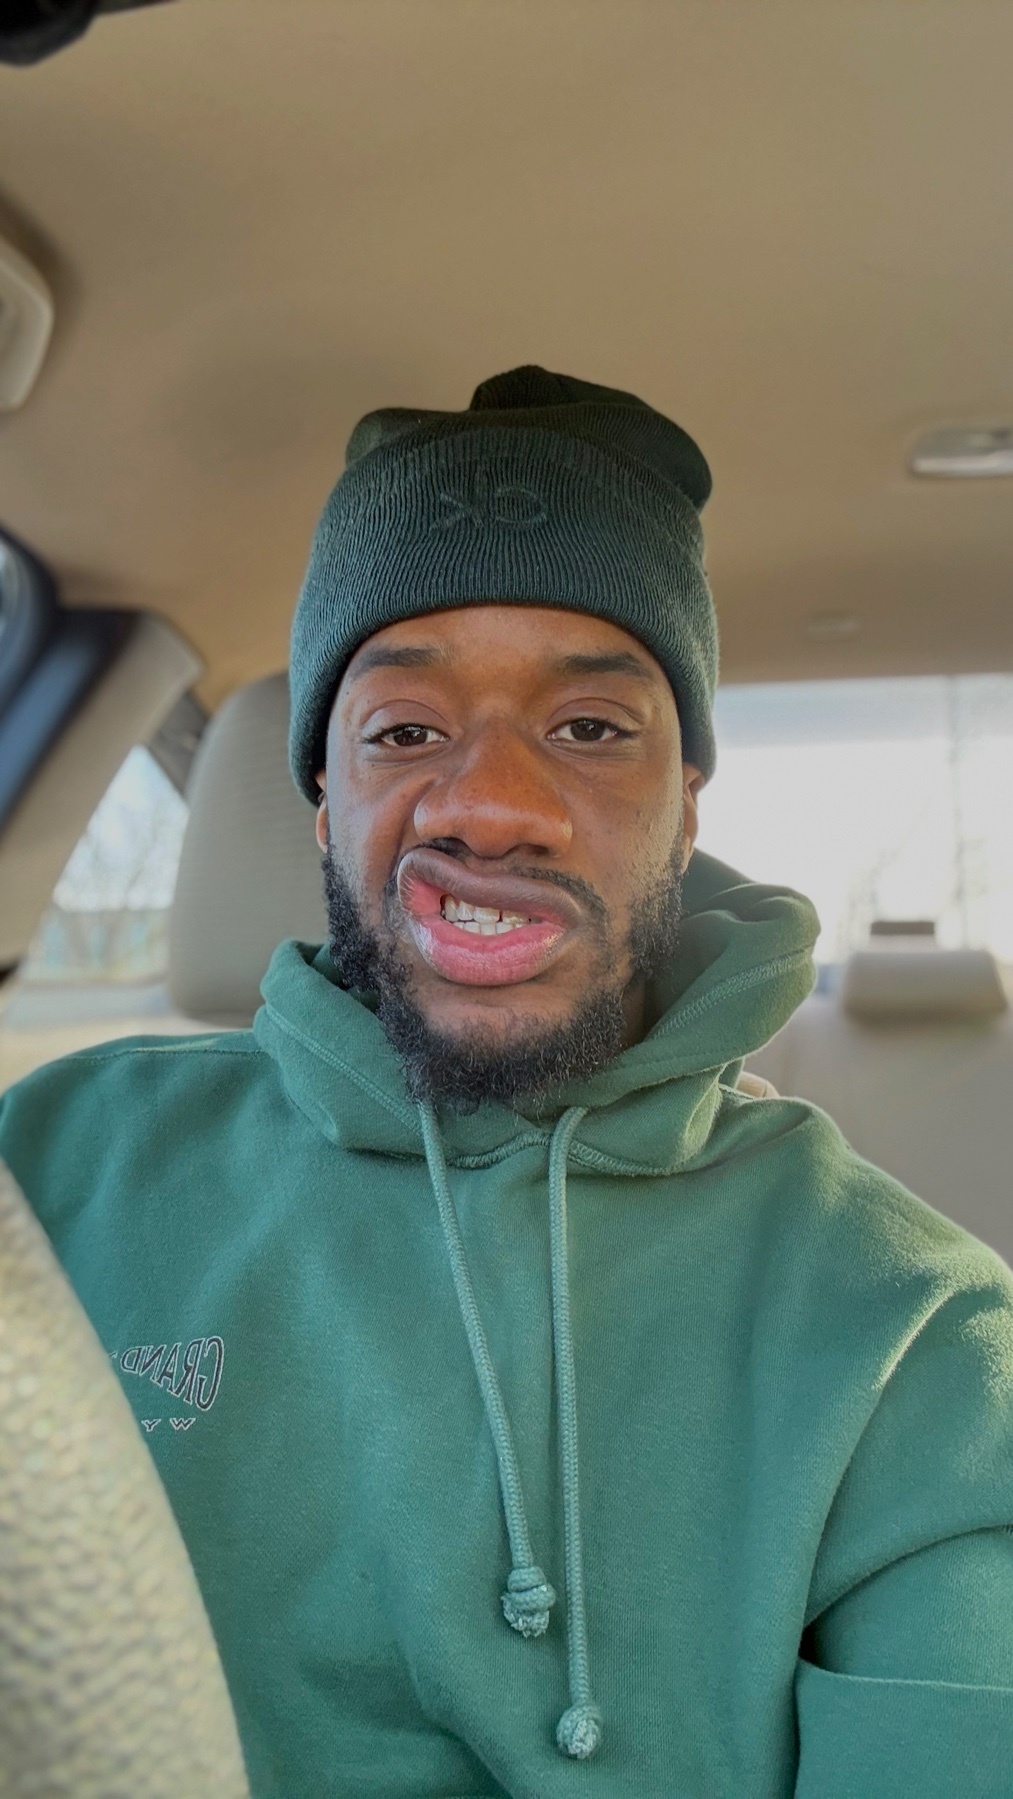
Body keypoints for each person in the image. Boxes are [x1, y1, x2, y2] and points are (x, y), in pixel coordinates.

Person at [2, 366, 1013, 1797]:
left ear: (686, 804)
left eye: (593, 730)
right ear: (322, 795)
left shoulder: (908, 1329)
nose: (488, 801)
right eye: (404, 730)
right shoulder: (45, 1172)